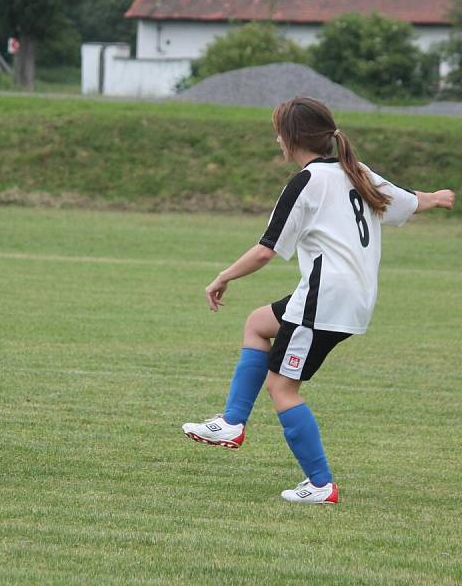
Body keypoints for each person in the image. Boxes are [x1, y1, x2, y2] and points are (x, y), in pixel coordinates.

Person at [181, 97, 455, 504]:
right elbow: (405, 200)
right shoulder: (356, 171)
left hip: (325, 298)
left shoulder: (307, 182)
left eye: (278, 132)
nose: (276, 139)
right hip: (351, 297)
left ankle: (320, 485)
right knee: (258, 323)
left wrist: (222, 277)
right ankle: (232, 422)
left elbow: (265, 250)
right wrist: (434, 197)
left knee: (282, 388)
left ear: (290, 139)